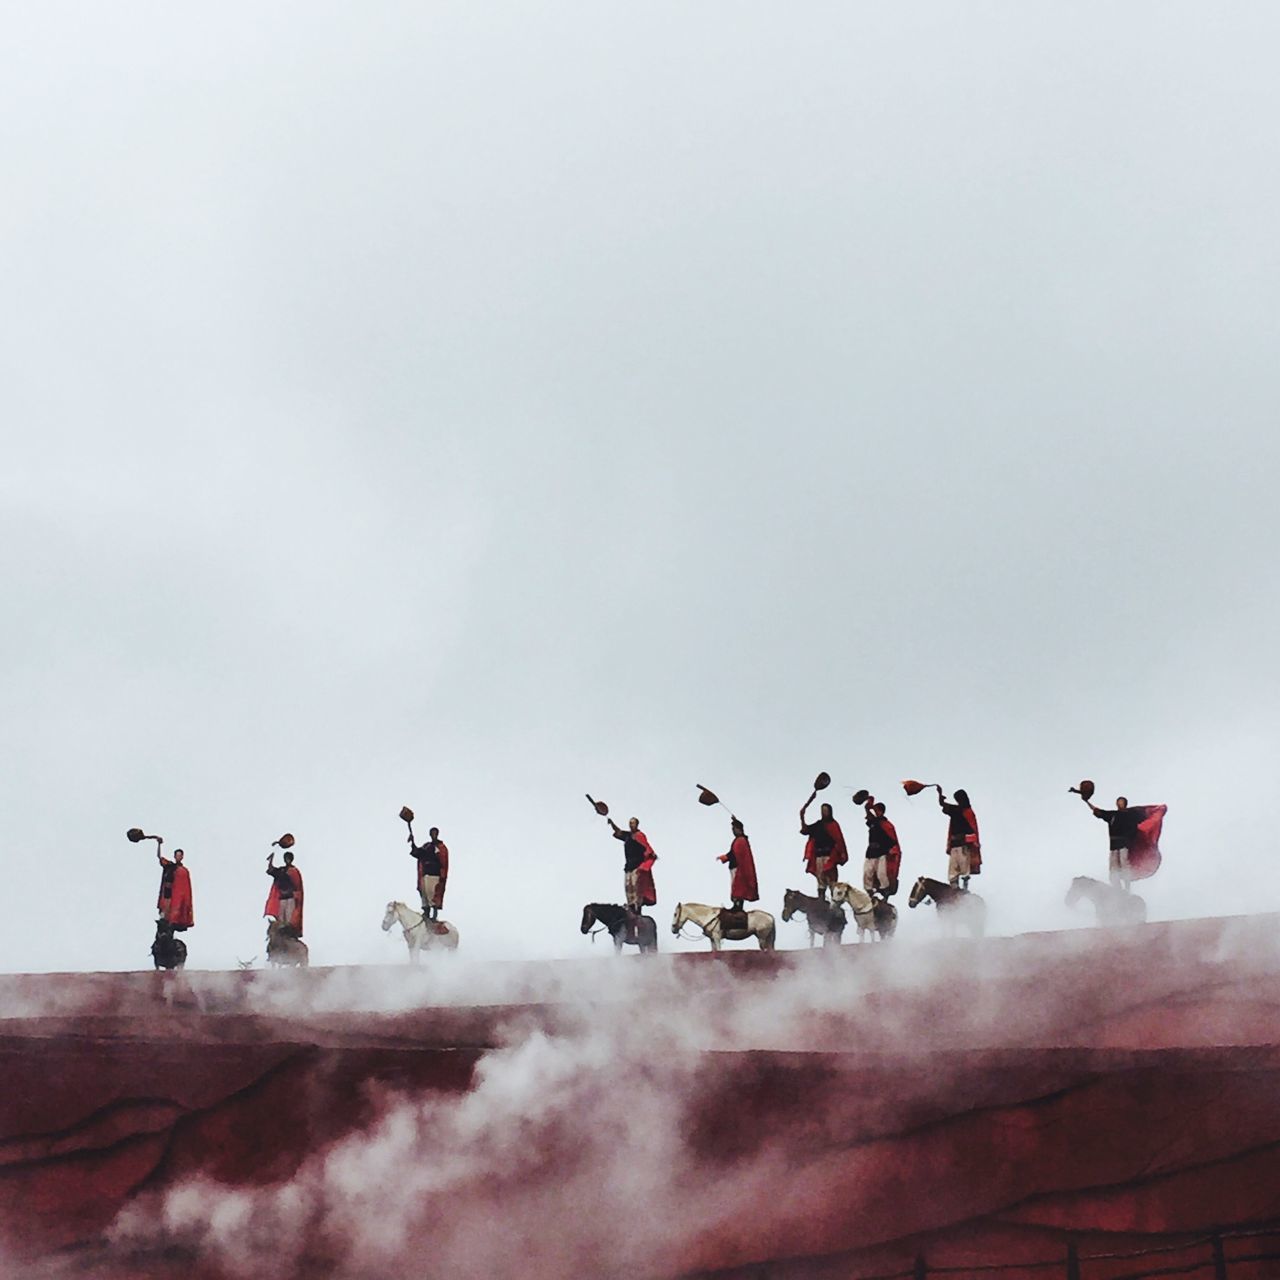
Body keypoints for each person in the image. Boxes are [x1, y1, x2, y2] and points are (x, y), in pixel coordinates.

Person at [1081, 793, 1167, 890]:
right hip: (1114, 846)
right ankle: (1117, 890)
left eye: (1121, 802)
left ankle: (1127, 889)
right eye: (1118, 802)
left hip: (1124, 845)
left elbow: (1148, 813)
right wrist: (1086, 801)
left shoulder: (1132, 814)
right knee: (1113, 870)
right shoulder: (1112, 815)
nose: (1120, 804)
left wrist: (1158, 810)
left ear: (1125, 804)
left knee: (1125, 867)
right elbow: (1097, 811)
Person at [607, 816, 658, 923]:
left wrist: (647, 860)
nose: (631, 825)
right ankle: (631, 908)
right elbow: (619, 832)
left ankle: (637, 909)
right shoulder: (628, 836)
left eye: (633, 823)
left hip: (637, 866)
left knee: (636, 888)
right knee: (628, 887)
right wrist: (611, 823)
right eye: (630, 823)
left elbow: (648, 849)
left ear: (637, 824)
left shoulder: (640, 836)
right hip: (628, 866)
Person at [800, 799, 847, 900]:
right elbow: (806, 830)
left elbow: (839, 840)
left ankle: (835, 903)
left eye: (825, 810)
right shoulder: (818, 824)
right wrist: (802, 817)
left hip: (829, 856)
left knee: (832, 880)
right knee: (820, 879)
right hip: (818, 856)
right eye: (822, 810)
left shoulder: (833, 825)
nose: (824, 812)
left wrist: (841, 854)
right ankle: (821, 902)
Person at [938, 788, 980, 889]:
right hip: (954, 846)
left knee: (964, 869)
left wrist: (966, 839)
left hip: (963, 846)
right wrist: (940, 796)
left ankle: (965, 890)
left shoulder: (968, 812)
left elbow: (973, 832)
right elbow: (945, 807)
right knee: (953, 871)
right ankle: (954, 890)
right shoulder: (956, 811)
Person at [717, 816, 759, 912]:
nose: (733, 831)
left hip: (738, 868)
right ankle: (736, 905)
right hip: (736, 867)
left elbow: (736, 854)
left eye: (734, 829)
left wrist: (726, 857)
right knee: (736, 887)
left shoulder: (741, 841)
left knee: (738, 887)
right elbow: (733, 853)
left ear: (739, 829)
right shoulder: (740, 840)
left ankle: (738, 906)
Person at [409, 826, 449, 920]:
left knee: (432, 894)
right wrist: (412, 843)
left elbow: (443, 861)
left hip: (434, 874)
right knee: (424, 893)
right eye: (432, 833)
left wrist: (442, 875)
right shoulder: (427, 846)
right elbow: (418, 853)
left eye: (435, 833)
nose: (433, 835)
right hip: (424, 874)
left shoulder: (441, 847)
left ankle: (434, 916)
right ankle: (426, 912)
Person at [863, 801, 901, 898]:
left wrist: (892, 850)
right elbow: (867, 811)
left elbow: (892, 841)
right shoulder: (873, 822)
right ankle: (869, 892)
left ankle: (885, 892)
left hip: (882, 852)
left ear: (881, 811)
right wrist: (869, 803)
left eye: (877, 810)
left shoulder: (886, 825)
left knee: (881, 874)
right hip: (871, 852)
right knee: (867, 872)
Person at [264, 848, 305, 936]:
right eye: (286, 858)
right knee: (281, 921)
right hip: (282, 898)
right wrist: (271, 859)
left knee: (290, 920)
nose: (287, 860)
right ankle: (281, 938)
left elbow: (297, 886)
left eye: (288, 858)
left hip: (290, 898)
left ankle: (290, 937)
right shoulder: (282, 870)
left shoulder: (294, 871)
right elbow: (272, 871)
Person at [156, 844, 194, 931]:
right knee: (163, 917)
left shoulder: (184, 871)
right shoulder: (170, 866)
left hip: (176, 898)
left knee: (173, 917)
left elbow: (185, 889)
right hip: (167, 895)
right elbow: (159, 857)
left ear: (182, 857)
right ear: (174, 856)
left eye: (180, 855)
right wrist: (159, 844)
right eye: (177, 855)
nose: (178, 857)